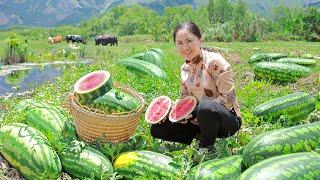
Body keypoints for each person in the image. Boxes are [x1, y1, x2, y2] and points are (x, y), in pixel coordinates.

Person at [150, 22, 242, 156]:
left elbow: (229, 98)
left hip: (226, 120)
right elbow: (185, 100)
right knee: (157, 129)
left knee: (205, 108)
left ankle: (206, 148)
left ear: (200, 40)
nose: (185, 47)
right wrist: (173, 112)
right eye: (179, 43)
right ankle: (200, 135)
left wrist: (197, 111)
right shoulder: (184, 69)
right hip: (198, 121)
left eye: (189, 41)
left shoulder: (215, 62)